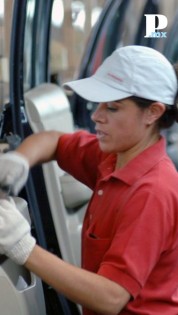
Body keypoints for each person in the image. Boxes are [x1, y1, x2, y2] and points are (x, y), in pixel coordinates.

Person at [0, 45, 178, 315]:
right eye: (99, 105)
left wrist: (22, 247)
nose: (97, 116)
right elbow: (54, 141)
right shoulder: (116, 156)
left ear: (153, 112)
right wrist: (19, 161)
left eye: (113, 108)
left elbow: (111, 298)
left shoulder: (152, 191)